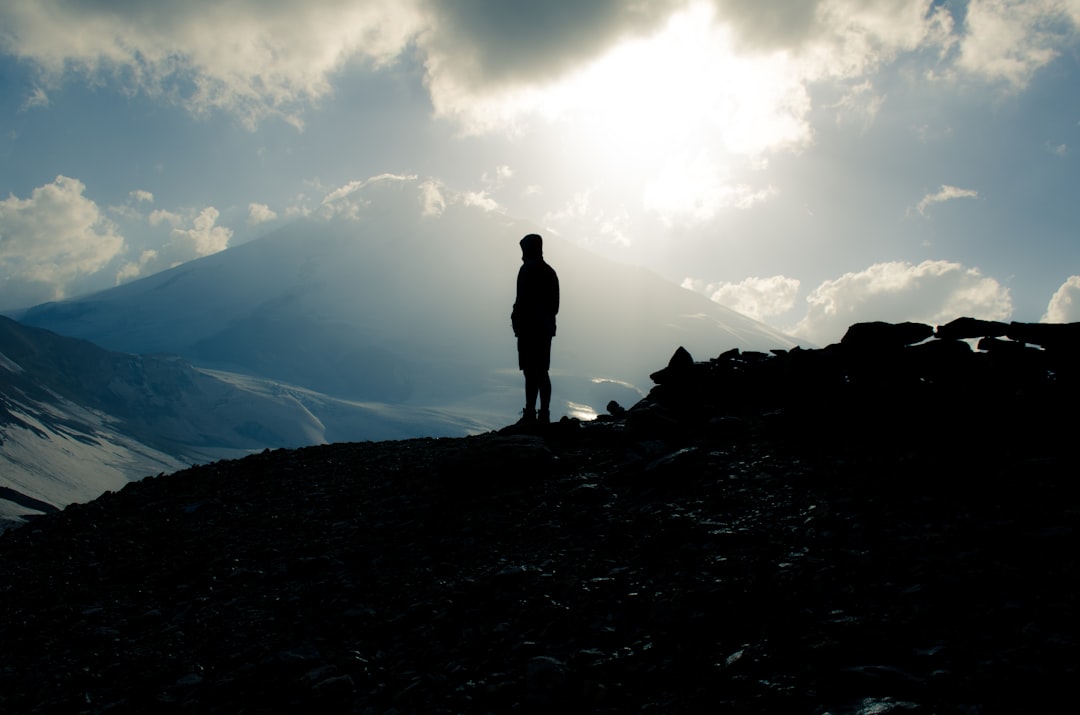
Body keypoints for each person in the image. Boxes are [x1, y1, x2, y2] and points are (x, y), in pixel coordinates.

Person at [511, 233, 559, 423]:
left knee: (530, 371)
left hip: (529, 327)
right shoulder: (550, 272)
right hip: (545, 327)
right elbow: (555, 305)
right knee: (542, 370)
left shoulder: (527, 270)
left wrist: (518, 319)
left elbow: (521, 300)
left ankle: (530, 412)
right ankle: (544, 413)